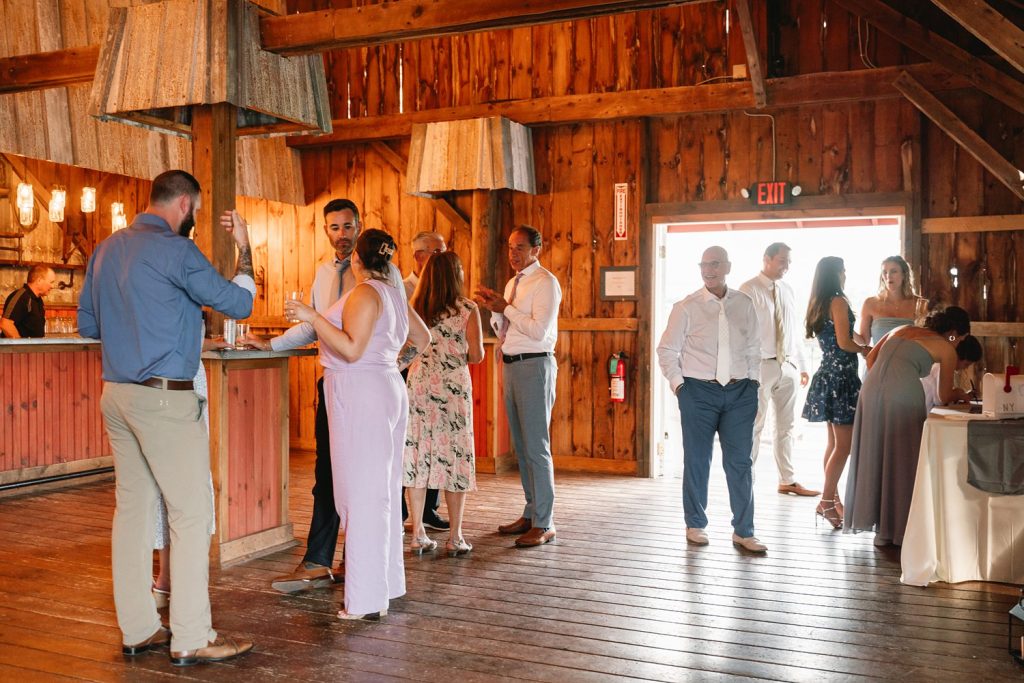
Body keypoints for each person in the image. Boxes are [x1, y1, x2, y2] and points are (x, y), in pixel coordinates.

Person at [77, 170, 255, 665]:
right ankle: (192, 635)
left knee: (132, 513)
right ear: (183, 203)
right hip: (164, 399)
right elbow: (238, 302)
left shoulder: (107, 248)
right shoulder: (177, 251)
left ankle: (138, 629)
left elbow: (88, 323)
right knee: (190, 513)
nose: (193, 217)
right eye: (194, 209)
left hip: (116, 395)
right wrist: (246, 249)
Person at [245, 199, 406, 594]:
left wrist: (394, 368)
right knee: (327, 474)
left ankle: (361, 562)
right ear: (326, 231)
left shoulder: (384, 275)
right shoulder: (322, 273)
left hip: (368, 386)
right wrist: (271, 345)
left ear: (359, 225)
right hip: (334, 383)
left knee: (367, 479)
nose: (342, 234)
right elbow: (315, 326)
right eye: (334, 228)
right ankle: (318, 560)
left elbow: (397, 324)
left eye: (348, 226)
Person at [286, 229, 431, 620]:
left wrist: (313, 316)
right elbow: (423, 337)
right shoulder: (394, 292)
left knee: (360, 496)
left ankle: (366, 600)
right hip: (382, 387)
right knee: (380, 490)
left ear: (357, 260)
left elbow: (351, 349)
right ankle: (385, 584)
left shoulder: (367, 293)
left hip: (360, 393)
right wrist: (389, 366)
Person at [657, 246, 766, 553]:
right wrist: (680, 387)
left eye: (715, 264)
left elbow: (754, 347)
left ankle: (744, 531)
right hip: (698, 392)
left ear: (727, 266)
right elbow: (667, 350)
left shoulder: (744, 304)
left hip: (741, 391)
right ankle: (695, 524)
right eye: (703, 264)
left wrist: (754, 383)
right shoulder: (686, 307)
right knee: (696, 459)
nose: (708, 270)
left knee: (740, 462)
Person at [844, 307, 972, 546]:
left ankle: (879, 530)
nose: (958, 343)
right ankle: (896, 531)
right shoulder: (946, 348)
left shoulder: (901, 329)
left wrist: (886, 378)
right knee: (902, 458)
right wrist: (961, 393)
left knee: (877, 454)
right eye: (960, 338)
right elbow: (944, 396)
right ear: (954, 332)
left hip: (870, 391)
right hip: (902, 393)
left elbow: (871, 358)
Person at [475, 225, 562, 548]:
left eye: (520, 248)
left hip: (535, 364)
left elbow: (539, 331)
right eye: (510, 247)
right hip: (511, 365)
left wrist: (505, 308)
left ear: (536, 250)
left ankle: (545, 522)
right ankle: (530, 511)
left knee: (537, 446)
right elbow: (507, 328)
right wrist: (495, 311)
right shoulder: (514, 283)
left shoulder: (545, 283)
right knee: (522, 447)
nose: (513, 254)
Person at [403, 251, 484, 556]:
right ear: (456, 275)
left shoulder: (415, 308)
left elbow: (406, 348)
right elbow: (476, 355)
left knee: (418, 453)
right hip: (453, 387)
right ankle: (456, 536)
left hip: (421, 384)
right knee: (456, 456)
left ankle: (418, 534)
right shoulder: (467, 309)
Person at [739, 243, 818, 498]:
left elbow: (792, 330)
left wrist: (803, 365)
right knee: (754, 425)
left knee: (786, 427)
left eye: (789, 262)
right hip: (760, 367)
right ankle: (745, 478)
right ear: (767, 259)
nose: (786, 266)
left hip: (788, 365)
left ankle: (788, 479)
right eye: (782, 260)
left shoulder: (788, 290)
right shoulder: (748, 289)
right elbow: (741, 332)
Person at [801, 257, 871, 530]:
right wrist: (866, 351)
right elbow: (844, 343)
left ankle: (834, 500)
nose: (846, 274)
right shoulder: (839, 301)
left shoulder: (820, 301)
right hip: (841, 378)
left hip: (827, 376)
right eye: (844, 270)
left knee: (833, 444)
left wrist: (864, 338)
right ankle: (826, 501)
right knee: (845, 446)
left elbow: (846, 334)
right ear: (839, 273)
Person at [401, 230, 450, 531]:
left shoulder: (444, 289)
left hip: (438, 376)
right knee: (411, 443)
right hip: (407, 369)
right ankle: (405, 512)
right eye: (437, 252)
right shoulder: (403, 289)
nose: (442, 257)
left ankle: (430, 508)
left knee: (435, 441)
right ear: (420, 256)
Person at [859, 255, 928, 345]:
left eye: (893, 271)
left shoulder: (919, 303)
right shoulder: (870, 303)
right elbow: (864, 342)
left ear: (904, 274)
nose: (888, 276)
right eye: (885, 272)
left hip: (912, 358)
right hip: (880, 359)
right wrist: (846, 327)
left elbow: (926, 340)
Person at [922, 335, 982, 411]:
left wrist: (963, 395)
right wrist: (959, 393)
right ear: (956, 356)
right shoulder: (940, 366)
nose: (965, 368)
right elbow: (942, 399)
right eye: (966, 364)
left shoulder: (940, 364)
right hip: (925, 414)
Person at [1, 265, 56, 338]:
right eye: (51, 282)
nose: (53, 286)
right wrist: (21, 346)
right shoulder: (21, 296)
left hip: (32, 349)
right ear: (39, 280)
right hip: (17, 349)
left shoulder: (38, 300)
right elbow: (5, 324)